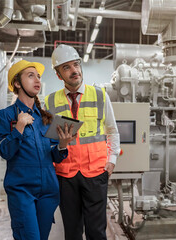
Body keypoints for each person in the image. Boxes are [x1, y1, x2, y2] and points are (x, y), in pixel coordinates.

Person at [0, 60, 75, 240]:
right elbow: (4, 151)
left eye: (38, 76)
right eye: (30, 76)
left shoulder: (45, 119)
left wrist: (62, 144)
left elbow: (54, 155)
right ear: (17, 83)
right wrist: (19, 128)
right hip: (22, 191)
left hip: (48, 191)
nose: (37, 79)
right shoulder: (5, 116)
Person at [45, 44, 121, 240]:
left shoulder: (100, 96)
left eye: (76, 65)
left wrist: (111, 160)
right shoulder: (50, 102)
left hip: (95, 172)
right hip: (65, 174)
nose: (74, 71)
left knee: (96, 232)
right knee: (72, 232)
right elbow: (48, 142)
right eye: (67, 68)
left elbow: (112, 130)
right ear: (59, 75)